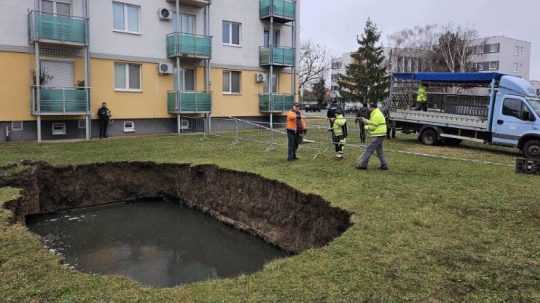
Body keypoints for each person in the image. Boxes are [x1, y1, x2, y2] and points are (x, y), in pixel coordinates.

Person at [356, 102, 389, 170]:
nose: (368, 108)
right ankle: (384, 165)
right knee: (379, 151)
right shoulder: (376, 113)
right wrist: (365, 120)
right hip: (380, 134)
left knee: (369, 149)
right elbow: (373, 122)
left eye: (369, 107)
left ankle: (363, 165)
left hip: (378, 134)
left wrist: (366, 127)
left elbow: (373, 126)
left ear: (372, 107)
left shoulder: (376, 115)